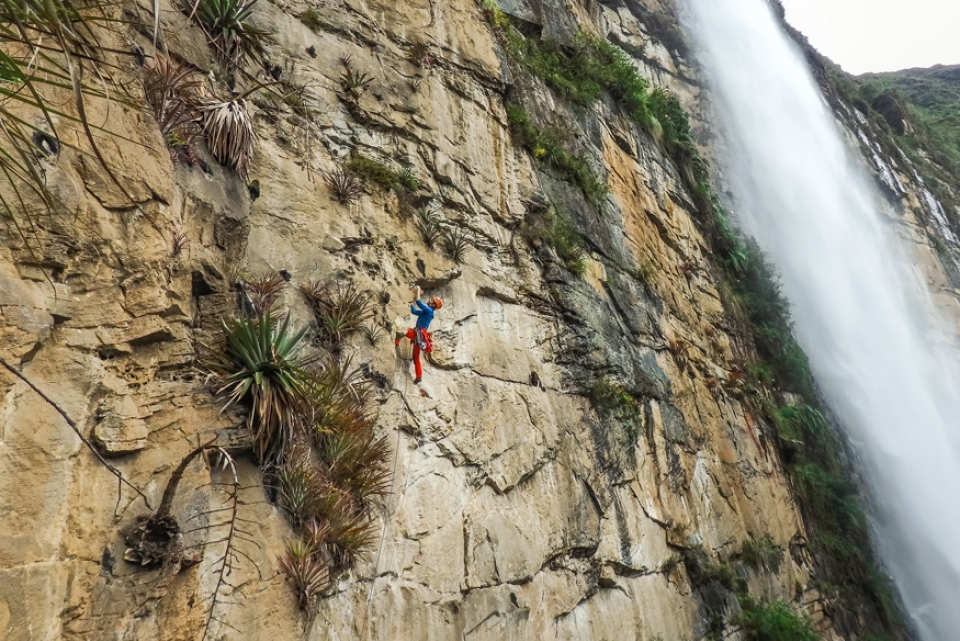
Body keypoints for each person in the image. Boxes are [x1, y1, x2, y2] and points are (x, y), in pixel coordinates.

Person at [396, 286, 442, 384]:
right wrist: (408, 304)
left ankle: (396, 344)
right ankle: (419, 376)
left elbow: (418, 302)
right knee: (416, 357)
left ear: (433, 305)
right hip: (420, 336)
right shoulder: (426, 312)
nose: (429, 301)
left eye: (432, 300)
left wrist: (417, 291)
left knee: (402, 331)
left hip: (418, 333)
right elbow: (414, 311)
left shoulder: (429, 311)